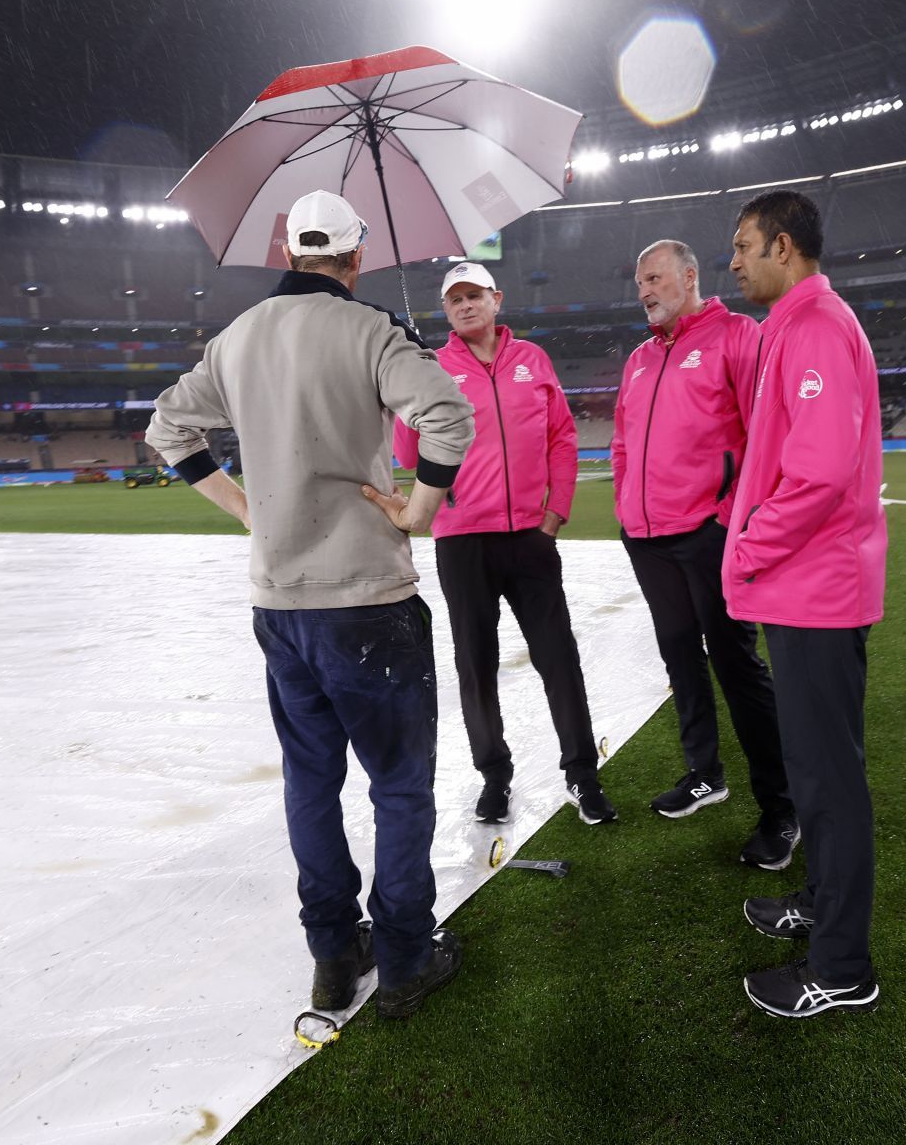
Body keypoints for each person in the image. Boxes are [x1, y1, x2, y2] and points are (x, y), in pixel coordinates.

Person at [147, 190, 474, 1021]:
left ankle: (333, 954)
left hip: (281, 602)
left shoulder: (237, 339)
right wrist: (421, 511)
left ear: (288, 251)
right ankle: (403, 960)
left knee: (310, 782)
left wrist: (244, 508)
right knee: (399, 787)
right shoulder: (369, 330)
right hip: (366, 594)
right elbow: (448, 415)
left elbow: (167, 430)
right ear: (355, 257)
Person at [723, 189, 887, 1019]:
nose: (735, 262)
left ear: (783, 247)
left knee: (827, 781)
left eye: (744, 247)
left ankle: (843, 966)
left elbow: (818, 475)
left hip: (815, 588)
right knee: (816, 772)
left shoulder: (815, 328)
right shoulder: (797, 326)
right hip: (807, 586)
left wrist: (748, 545)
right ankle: (823, 910)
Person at [392, 262, 617, 827]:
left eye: (474, 296)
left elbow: (563, 436)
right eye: (454, 300)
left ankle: (582, 774)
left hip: (530, 539)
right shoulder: (435, 367)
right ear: (446, 312)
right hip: (464, 540)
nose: (465, 306)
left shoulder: (533, 362)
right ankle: (494, 776)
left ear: (496, 299)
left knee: (558, 657)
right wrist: (408, 393)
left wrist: (555, 509)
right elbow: (407, 456)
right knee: (476, 665)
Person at [612, 238, 797, 868]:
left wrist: (730, 519)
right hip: (647, 538)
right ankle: (704, 774)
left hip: (709, 534)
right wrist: (624, 511)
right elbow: (622, 441)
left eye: (655, 277)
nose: (645, 291)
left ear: (689, 277)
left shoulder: (737, 336)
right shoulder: (638, 358)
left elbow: (766, 432)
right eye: (640, 282)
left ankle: (782, 806)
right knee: (679, 659)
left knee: (736, 665)